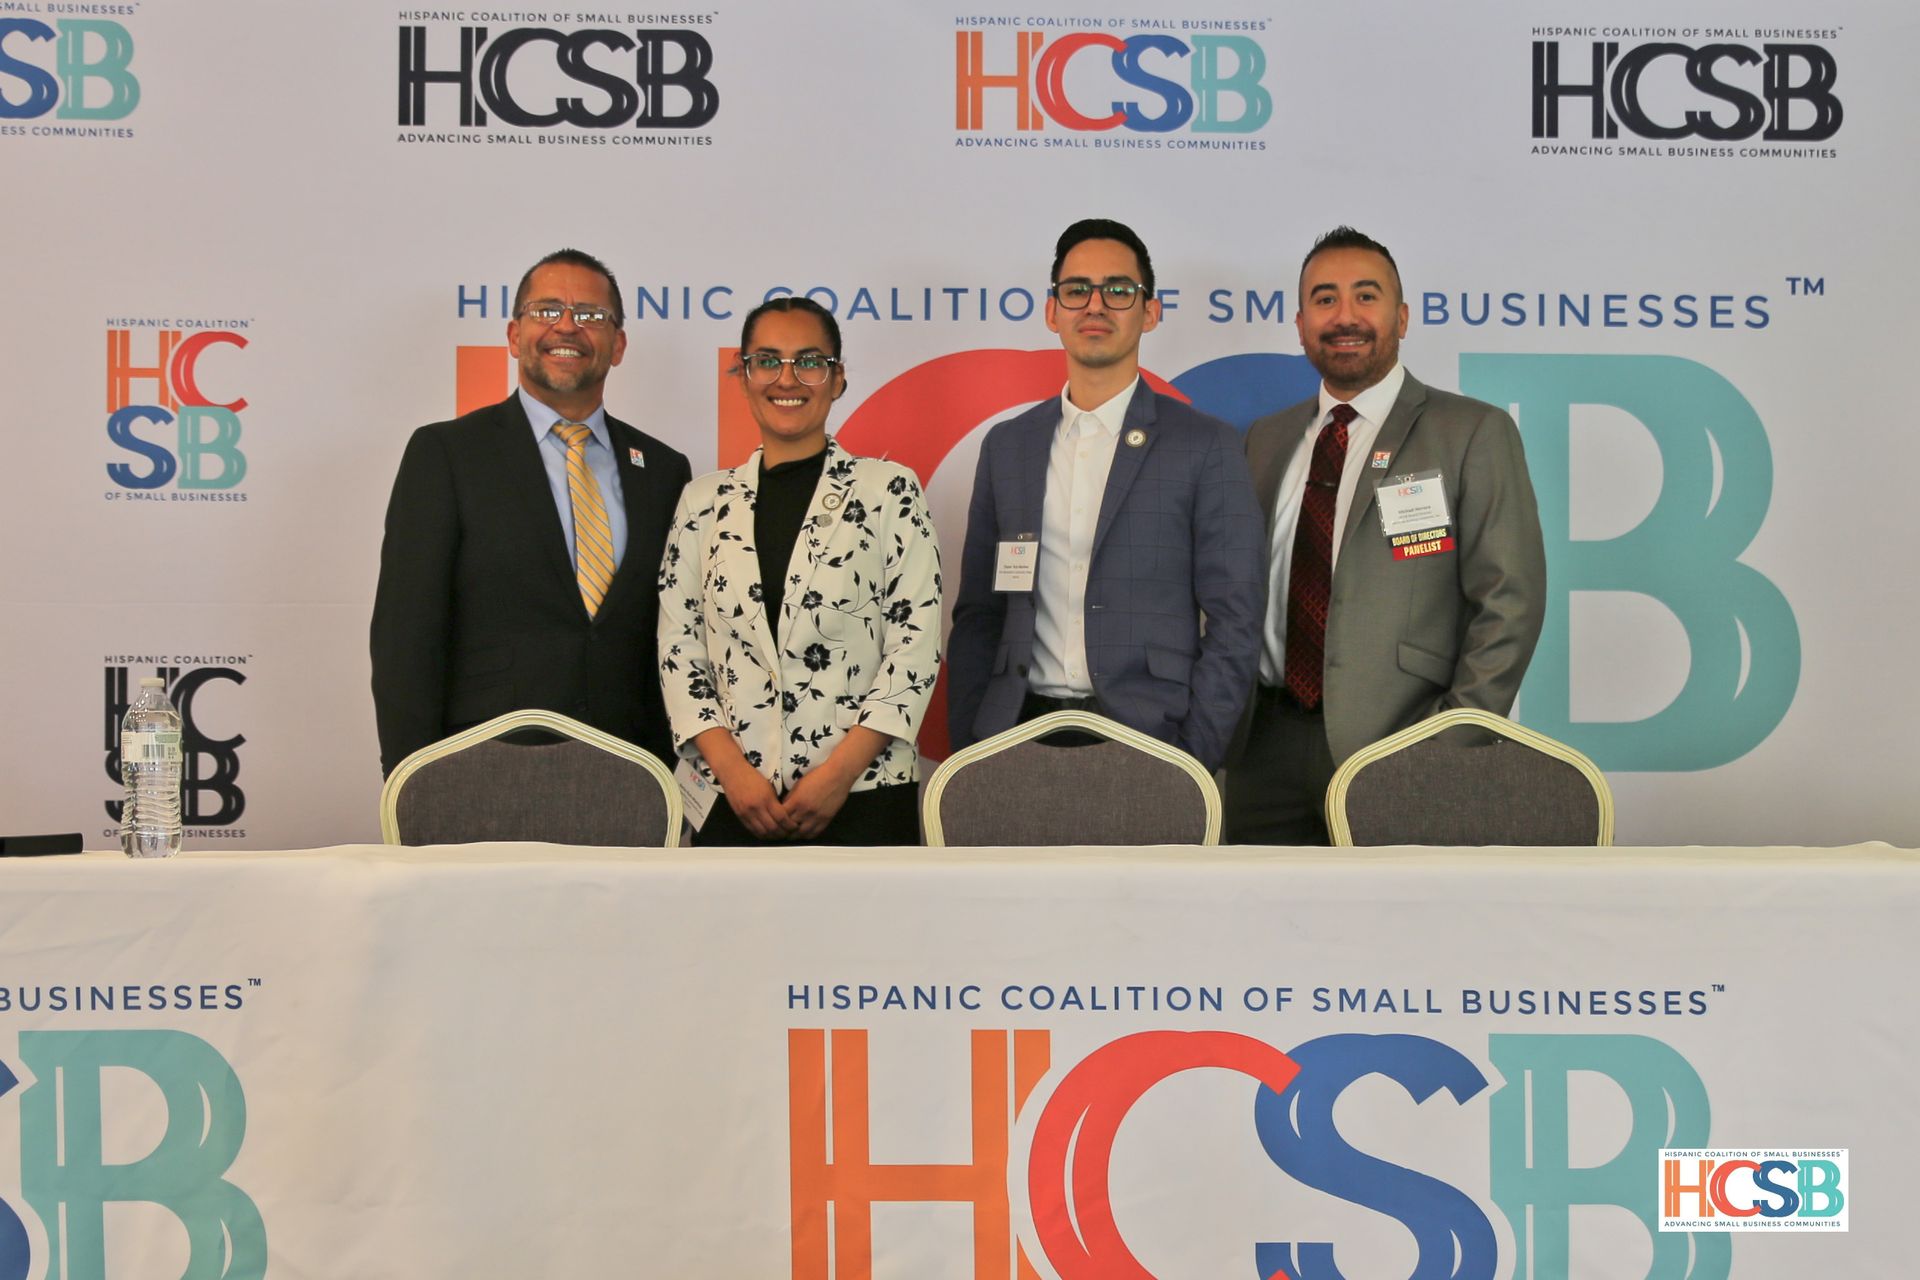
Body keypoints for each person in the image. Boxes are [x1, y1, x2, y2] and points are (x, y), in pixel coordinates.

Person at [1224, 227, 1547, 843]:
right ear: (1298, 324)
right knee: (1254, 931)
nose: (1345, 316)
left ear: (1401, 316)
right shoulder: (1262, 440)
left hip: (1401, 746)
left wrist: (1447, 743)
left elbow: (1511, 602)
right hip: (1259, 750)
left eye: (1365, 297)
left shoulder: (1470, 432)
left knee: (1396, 933)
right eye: (1324, 299)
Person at [947, 218, 1264, 771]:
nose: (1096, 306)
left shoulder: (1205, 444)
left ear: (1150, 311)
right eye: (1077, 291)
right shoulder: (1008, 446)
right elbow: (979, 612)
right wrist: (974, 745)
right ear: (1052, 312)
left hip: (1152, 742)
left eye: (1119, 290)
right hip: (1015, 736)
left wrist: (1195, 754)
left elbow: (1236, 617)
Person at [371, 247, 691, 776]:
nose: (567, 327)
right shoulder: (447, 454)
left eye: (590, 316)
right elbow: (406, 639)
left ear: (619, 345)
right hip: (482, 771)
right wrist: (413, 782)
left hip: (633, 773)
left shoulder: (662, 470)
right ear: (515, 335)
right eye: (546, 311)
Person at [657, 297, 941, 845]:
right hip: (734, 800)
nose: (788, 378)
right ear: (743, 376)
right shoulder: (702, 502)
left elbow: (915, 646)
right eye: (767, 360)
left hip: (863, 794)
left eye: (810, 362)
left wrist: (835, 778)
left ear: (837, 380)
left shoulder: (888, 491)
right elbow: (679, 647)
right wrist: (735, 776)